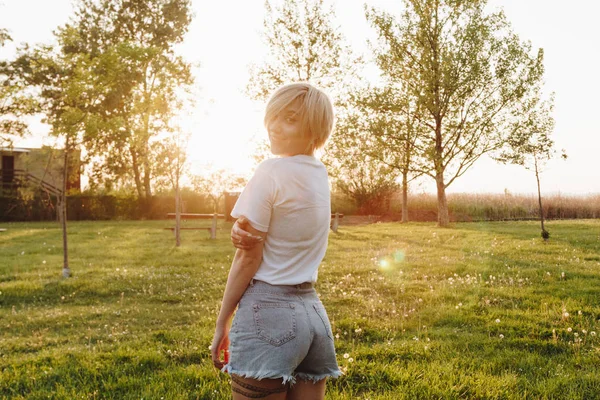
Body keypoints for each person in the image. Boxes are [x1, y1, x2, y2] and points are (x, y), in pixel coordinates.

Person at [211, 82, 341, 399]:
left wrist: (221, 324)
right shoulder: (319, 174)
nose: (275, 127)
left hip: (269, 316)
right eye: (274, 117)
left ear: (315, 129)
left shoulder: (270, 171)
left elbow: (247, 257)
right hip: (314, 318)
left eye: (290, 119)